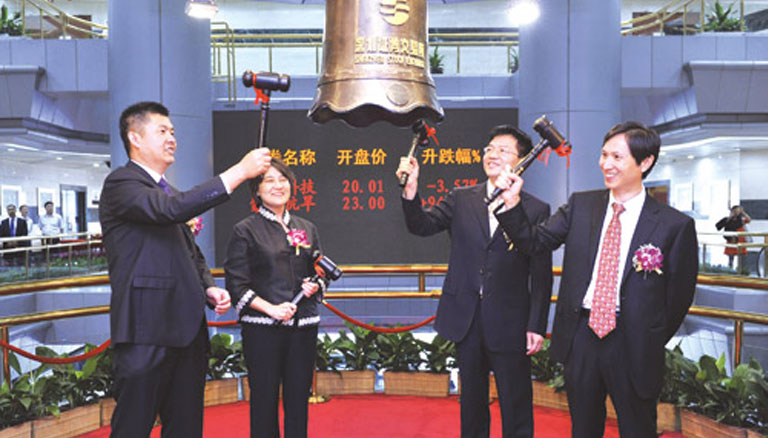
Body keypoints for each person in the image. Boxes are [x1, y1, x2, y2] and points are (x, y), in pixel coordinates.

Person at [496, 121, 698, 438]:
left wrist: (649, 334)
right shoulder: (582, 205)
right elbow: (534, 242)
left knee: (638, 428)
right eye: (604, 155)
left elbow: (679, 296)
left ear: (645, 162)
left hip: (634, 342)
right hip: (582, 337)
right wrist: (512, 204)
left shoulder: (674, 225)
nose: (606, 164)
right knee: (584, 428)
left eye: (617, 157)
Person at [99, 101, 272, 438]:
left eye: (173, 132)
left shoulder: (170, 193)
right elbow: (171, 210)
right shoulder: (122, 183)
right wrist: (239, 171)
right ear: (135, 137)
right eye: (162, 131)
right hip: (146, 331)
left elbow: (190, 254)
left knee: (186, 427)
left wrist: (208, 286)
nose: (172, 139)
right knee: (133, 426)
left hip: (187, 332)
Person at [395, 125, 553, 438]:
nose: (492, 155)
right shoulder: (461, 198)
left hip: (510, 321)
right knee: (472, 401)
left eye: (503, 150)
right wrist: (411, 190)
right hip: (466, 318)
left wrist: (536, 324)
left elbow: (541, 273)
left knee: (515, 401)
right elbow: (421, 225)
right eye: (489, 149)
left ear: (521, 161)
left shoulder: (536, 209)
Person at [224, 158, 325, 438]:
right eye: (269, 180)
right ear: (257, 190)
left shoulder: (307, 227)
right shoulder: (245, 229)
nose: (278, 186)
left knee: (298, 399)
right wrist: (270, 309)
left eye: (283, 180)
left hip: (303, 327)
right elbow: (236, 284)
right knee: (264, 399)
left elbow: (319, 270)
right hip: (263, 329)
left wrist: (315, 284)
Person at [716, 205, 751, 269]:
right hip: (732, 240)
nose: (736, 213)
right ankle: (730, 269)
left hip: (740, 240)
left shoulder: (741, 219)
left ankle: (741, 270)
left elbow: (748, 220)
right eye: (735, 211)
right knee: (731, 257)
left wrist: (743, 213)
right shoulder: (727, 219)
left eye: (738, 211)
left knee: (741, 257)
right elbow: (719, 226)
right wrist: (730, 217)